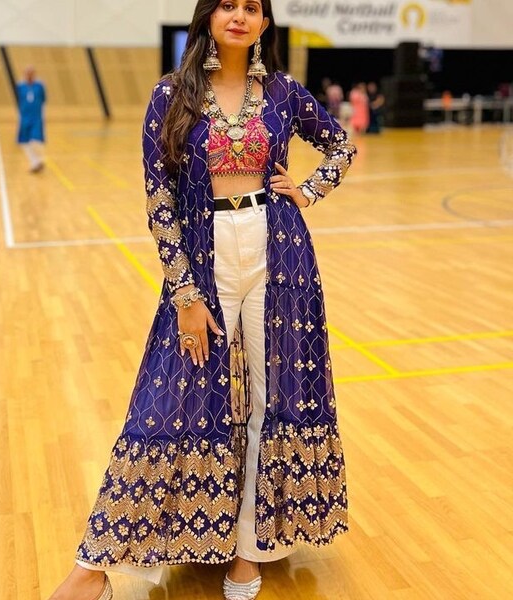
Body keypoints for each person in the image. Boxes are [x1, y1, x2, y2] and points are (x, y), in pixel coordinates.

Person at [48, 1, 356, 599]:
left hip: (280, 250)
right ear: (209, 17)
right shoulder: (171, 95)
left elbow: (339, 144)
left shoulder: (286, 93)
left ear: (264, 23)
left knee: (277, 398)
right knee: (166, 401)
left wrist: (309, 190)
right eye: (227, 5)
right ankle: (93, 565)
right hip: (202, 254)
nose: (238, 15)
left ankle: (250, 550)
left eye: (251, 7)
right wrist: (184, 292)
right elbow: (157, 195)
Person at [16, 66, 46, 173]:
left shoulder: (39, 86)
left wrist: (42, 114)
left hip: (36, 117)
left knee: (36, 140)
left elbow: (43, 99)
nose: (29, 76)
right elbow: (18, 100)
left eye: (31, 73)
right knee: (24, 142)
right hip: (24, 117)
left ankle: (40, 160)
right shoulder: (20, 86)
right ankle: (35, 163)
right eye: (27, 73)